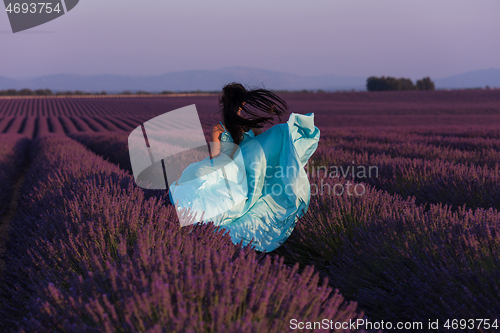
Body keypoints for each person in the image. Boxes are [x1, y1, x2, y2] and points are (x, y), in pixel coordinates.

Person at [169, 82, 320, 252]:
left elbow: (215, 158)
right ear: (242, 103)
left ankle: (203, 229)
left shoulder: (218, 129)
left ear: (223, 105)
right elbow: (264, 150)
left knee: (209, 197)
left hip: (230, 171)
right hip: (243, 172)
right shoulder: (251, 126)